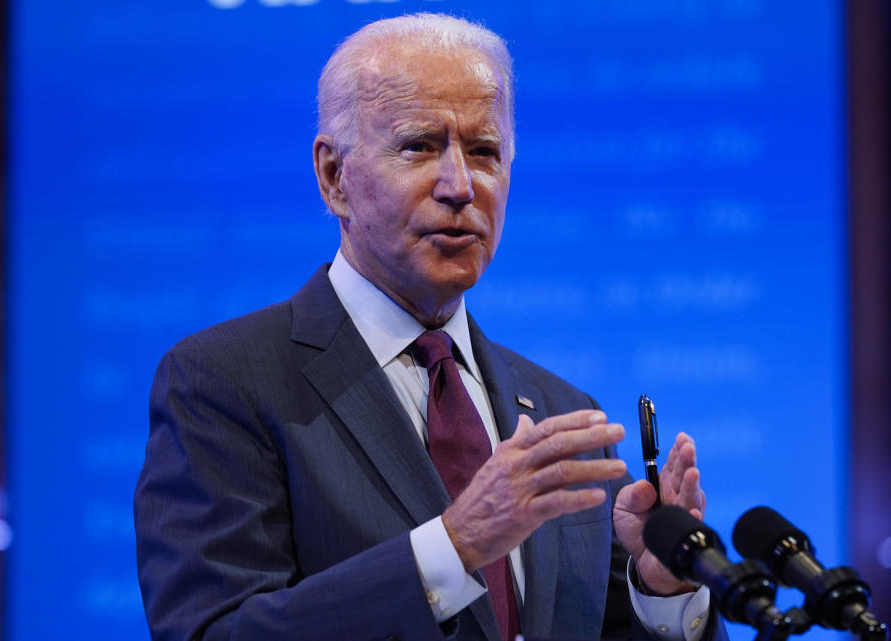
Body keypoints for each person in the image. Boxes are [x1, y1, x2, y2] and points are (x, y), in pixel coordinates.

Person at [134, 13, 724, 641]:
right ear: (334, 178)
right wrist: (454, 546)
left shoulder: (561, 413)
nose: (461, 186)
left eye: (484, 152)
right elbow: (213, 632)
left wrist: (661, 591)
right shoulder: (224, 381)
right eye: (419, 145)